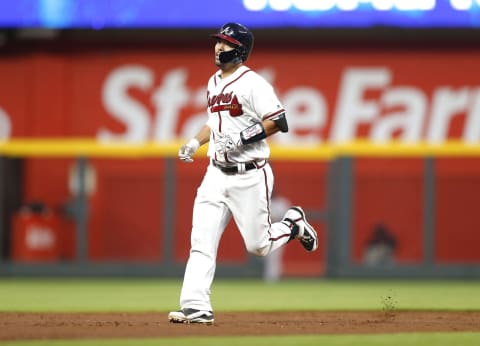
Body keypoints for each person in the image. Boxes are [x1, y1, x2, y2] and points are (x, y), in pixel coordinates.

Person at [168, 22, 318, 325]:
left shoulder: (254, 84)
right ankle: (196, 306)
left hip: (249, 174)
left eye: (225, 43)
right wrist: (194, 141)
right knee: (201, 239)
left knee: (259, 246)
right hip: (215, 174)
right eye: (218, 42)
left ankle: (292, 224)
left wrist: (242, 137)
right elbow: (214, 121)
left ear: (240, 50)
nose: (218, 47)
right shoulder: (213, 82)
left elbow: (279, 121)